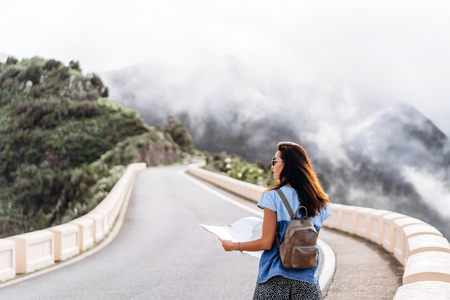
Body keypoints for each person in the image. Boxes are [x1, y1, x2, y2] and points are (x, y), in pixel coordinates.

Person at [219, 141, 332, 300]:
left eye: (275, 161)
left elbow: (266, 242)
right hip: (307, 283)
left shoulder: (272, 197)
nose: (272, 166)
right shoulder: (320, 202)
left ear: (287, 165)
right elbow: (308, 244)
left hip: (274, 279)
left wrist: (234, 246)